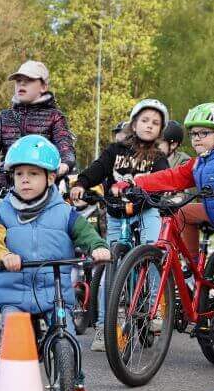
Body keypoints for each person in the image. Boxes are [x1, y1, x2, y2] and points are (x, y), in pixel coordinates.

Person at [0, 135, 110, 391]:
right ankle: (12, 385)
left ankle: (75, 387)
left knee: (68, 337)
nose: (25, 180)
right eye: (19, 174)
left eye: (33, 174)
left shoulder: (64, 213)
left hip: (53, 290)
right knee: (14, 341)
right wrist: (3, 256)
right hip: (15, 289)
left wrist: (98, 247)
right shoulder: (1, 212)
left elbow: (85, 233)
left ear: (50, 178)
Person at [114, 103, 214, 295]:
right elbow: (172, 177)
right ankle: (193, 268)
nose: (196, 139)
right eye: (194, 134)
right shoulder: (200, 161)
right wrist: (136, 184)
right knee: (183, 213)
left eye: (204, 133)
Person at [70, 99, 170, 351]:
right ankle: (105, 329)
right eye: (145, 121)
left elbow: (164, 181)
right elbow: (97, 169)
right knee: (110, 270)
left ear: (161, 130)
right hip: (116, 215)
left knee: (153, 249)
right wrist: (81, 185)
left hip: (144, 212)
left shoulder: (159, 157)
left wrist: (162, 195)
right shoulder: (114, 151)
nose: (149, 126)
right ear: (134, 124)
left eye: (155, 123)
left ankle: (156, 308)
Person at [0, 61, 75, 179]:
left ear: (43, 87)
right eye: (18, 80)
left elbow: (65, 147)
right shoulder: (5, 117)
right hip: (7, 188)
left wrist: (65, 164)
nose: (22, 84)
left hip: (43, 188)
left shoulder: (55, 117)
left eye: (29, 80)